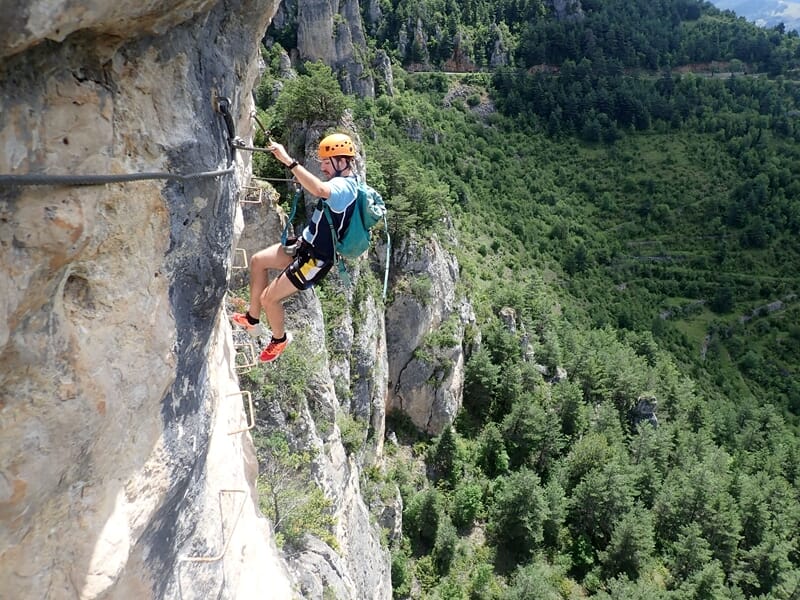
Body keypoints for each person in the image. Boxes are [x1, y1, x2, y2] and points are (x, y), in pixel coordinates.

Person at [231, 133, 360, 362]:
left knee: (269, 298)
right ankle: (252, 319)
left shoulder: (344, 188)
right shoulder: (344, 184)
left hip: (316, 260)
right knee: (258, 261)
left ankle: (279, 339)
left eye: (326, 162)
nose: (322, 166)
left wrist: (289, 161)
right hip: (305, 245)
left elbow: (320, 190)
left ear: (342, 162)